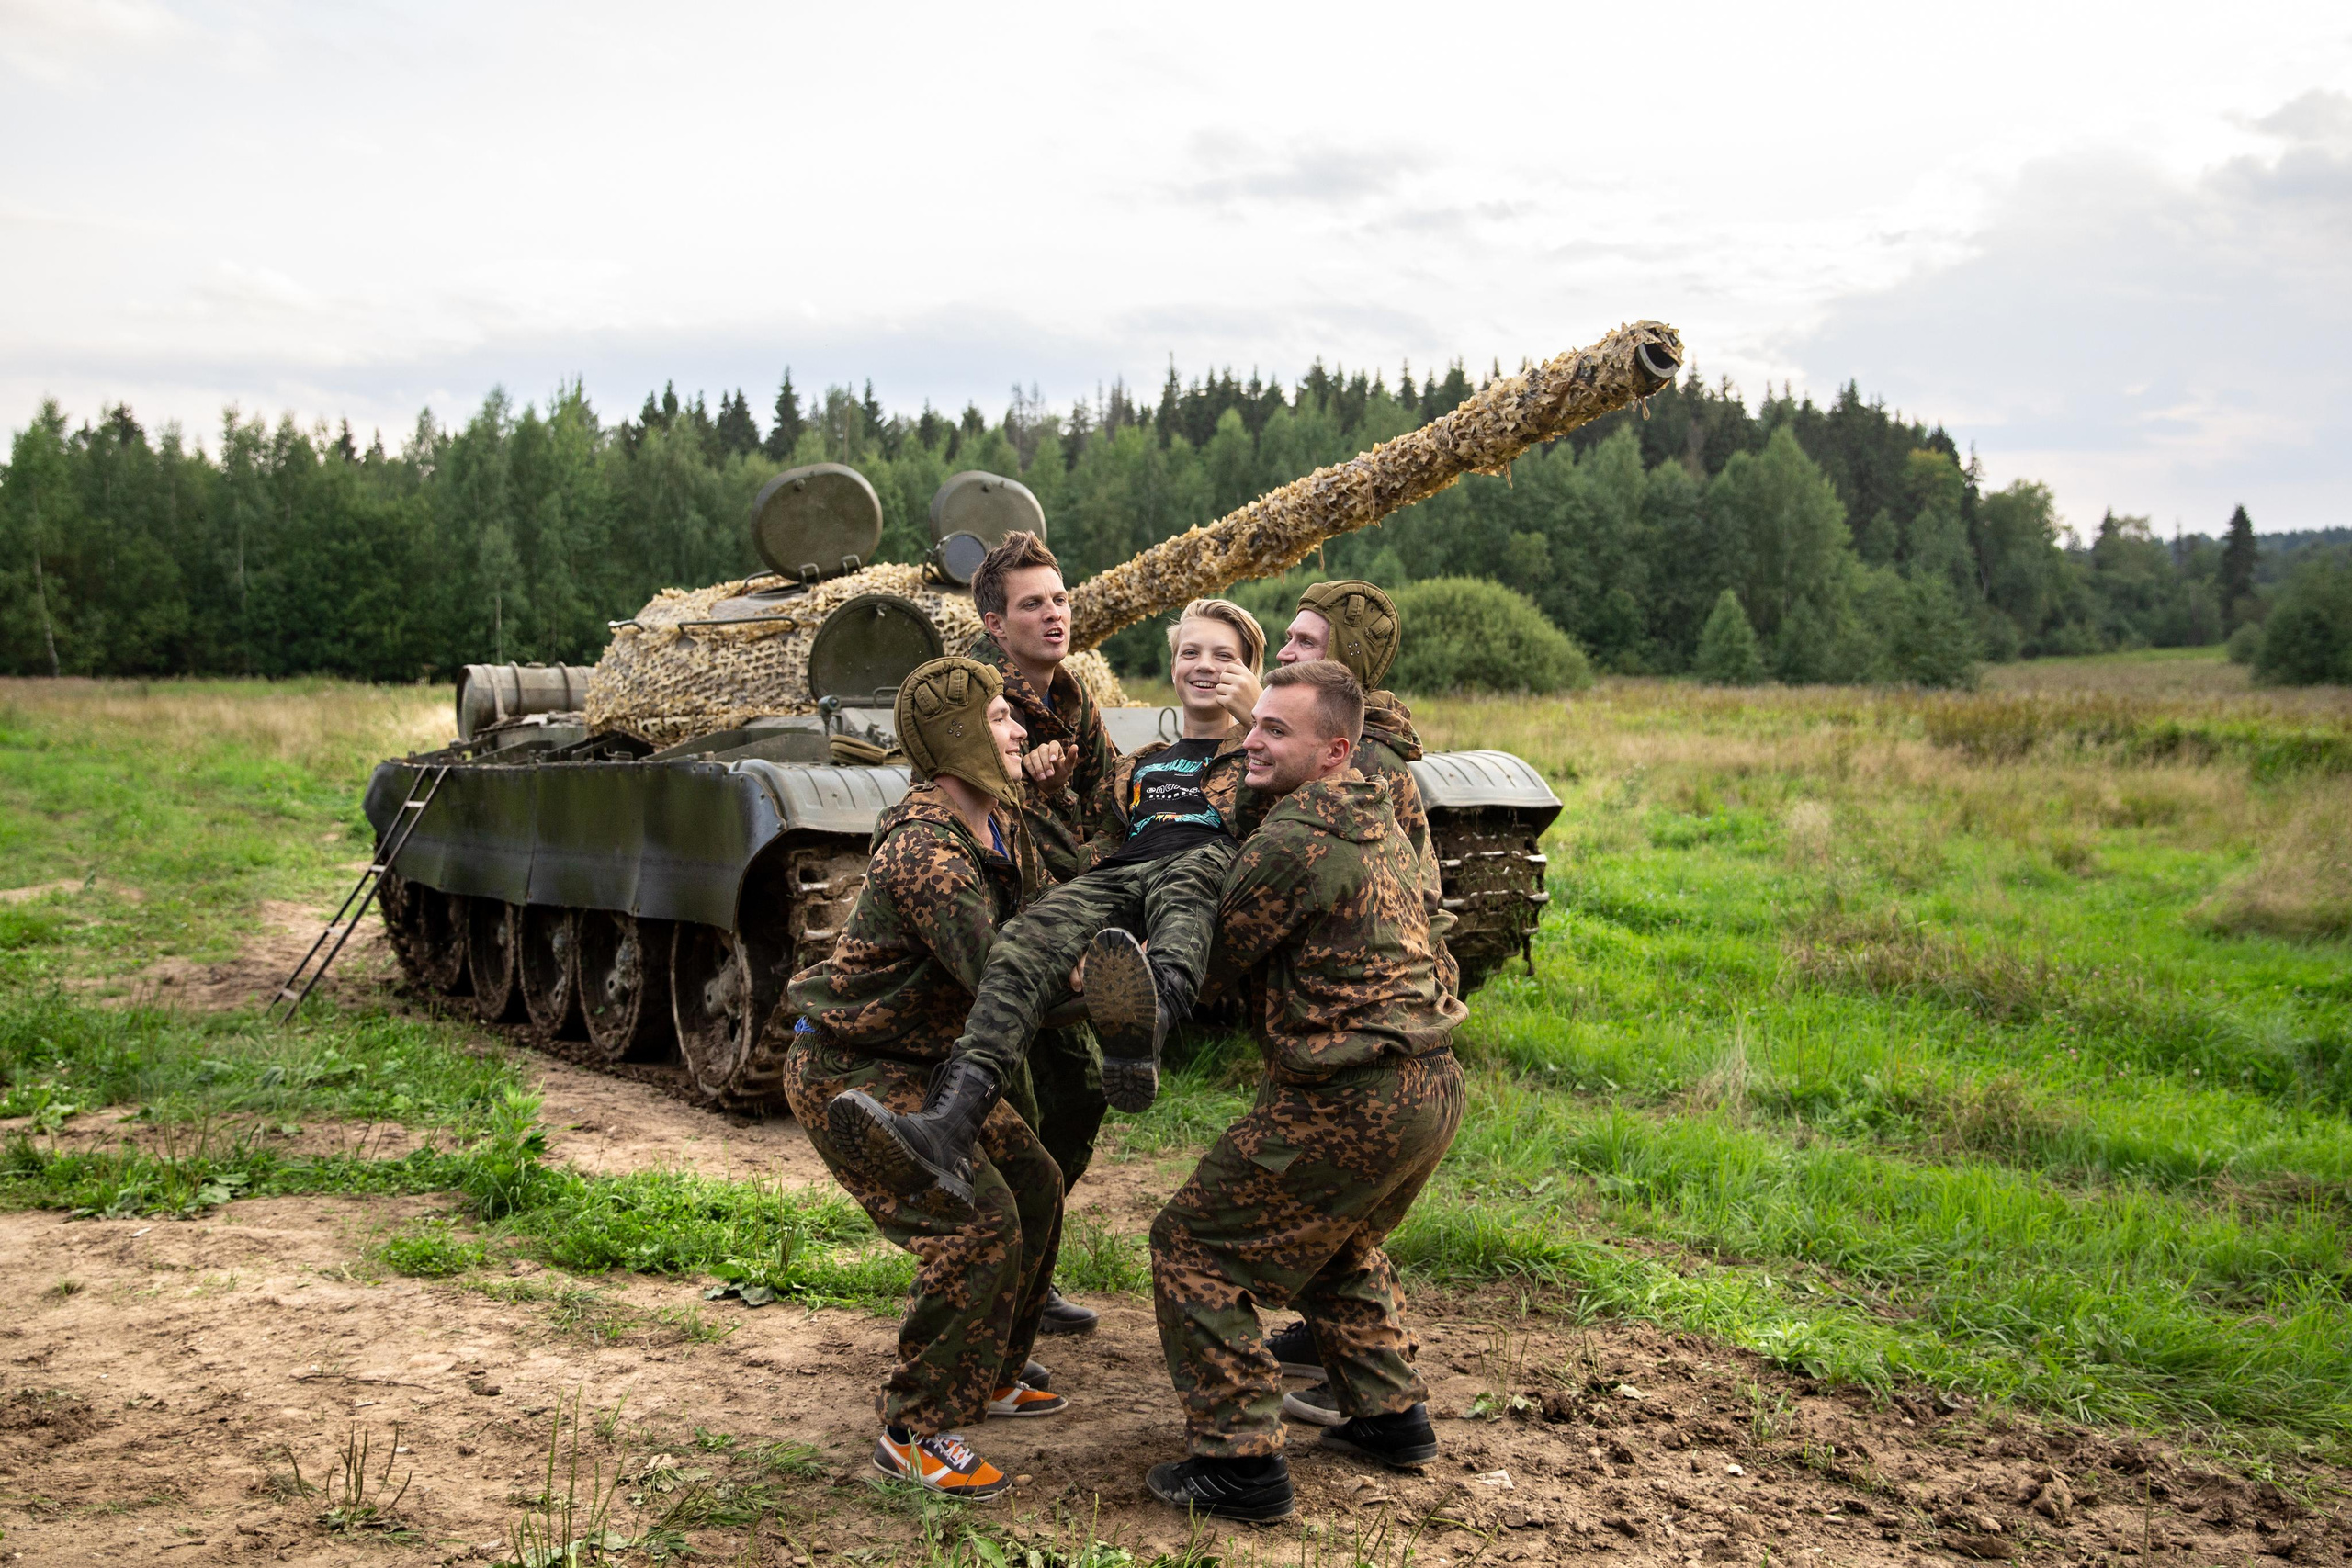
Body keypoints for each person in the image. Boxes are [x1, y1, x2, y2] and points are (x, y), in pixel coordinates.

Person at [1143, 660, 1468, 1524]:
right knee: (1336, 1240)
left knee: (1194, 1244)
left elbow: (1208, 965)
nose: (1250, 739)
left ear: (1334, 750)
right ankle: (1390, 1415)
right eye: (1255, 723)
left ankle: (1240, 1461)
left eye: (1274, 731)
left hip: (1349, 1096)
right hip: (1430, 1085)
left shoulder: (1295, 840)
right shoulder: (1373, 813)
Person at [829, 599, 1267, 1205]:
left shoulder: (1265, 755)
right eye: (1190, 652)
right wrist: (1053, 793)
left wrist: (1260, 719)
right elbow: (1089, 849)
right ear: (1172, 666)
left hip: (1205, 860)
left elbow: (1293, 817)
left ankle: (1145, 1028)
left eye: (1224, 656)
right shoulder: (1140, 766)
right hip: (1123, 870)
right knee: (1023, 940)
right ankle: (948, 1125)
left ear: (1251, 670)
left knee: (1186, 891)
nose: (1205, 665)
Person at [780, 657, 1067, 1500]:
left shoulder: (999, 823)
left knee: (1036, 1184)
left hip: (928, 1063)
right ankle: (913, 1431)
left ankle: (989, 1373)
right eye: (1000, 718)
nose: (1019, 729)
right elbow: (1002, 972)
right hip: (854, 1069)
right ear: (956, 735)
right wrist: (1094, 978)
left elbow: (1055, 910)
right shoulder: (926, 850)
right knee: (975, 1222)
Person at [964, 529, 1124, 1336]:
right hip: (999, 941)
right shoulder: (972, 703)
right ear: (996, 624)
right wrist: (1047, 806)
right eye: (1033, 605)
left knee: (1078, 1097)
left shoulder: (1072, 696)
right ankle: (990, 1290)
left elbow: (1110, 799)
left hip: (1060, 928)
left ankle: (1032, 1269)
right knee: (1012, 1120)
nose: (1055, 614)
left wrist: (1077, 824)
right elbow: (976, 816)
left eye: (1060, 598)